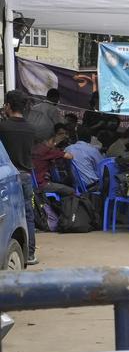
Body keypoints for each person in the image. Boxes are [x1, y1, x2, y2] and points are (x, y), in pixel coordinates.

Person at [0, 90, 40, 264]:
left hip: (8, 178)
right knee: (28, 216)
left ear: (8, 105)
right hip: (25, 176)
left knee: (8, 217)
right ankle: (30, 254)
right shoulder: (31, 129)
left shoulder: (3, 127)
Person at [32, 132, 76, 198]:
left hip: (34, 184)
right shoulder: (47, 150)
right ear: (50, 141)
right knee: (71, 191)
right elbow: (69, 156)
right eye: (54, 142)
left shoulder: (35, 149)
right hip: (42, 184)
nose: (54, 144)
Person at [65, 126, 104, 193]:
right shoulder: (92, 150)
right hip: (92, 186)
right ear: (90, 138)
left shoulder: (67, 149)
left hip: (76, 186)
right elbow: (102, 169)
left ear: (76, 136)